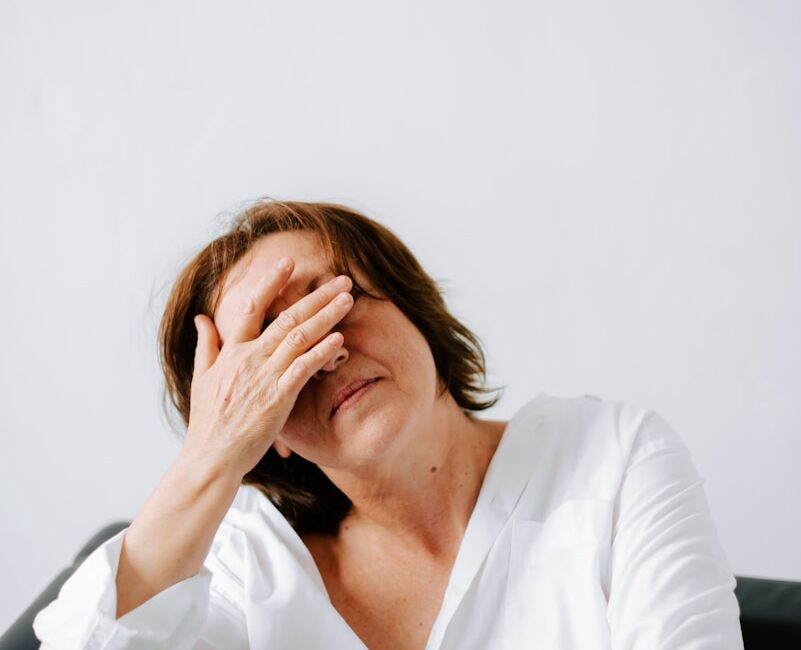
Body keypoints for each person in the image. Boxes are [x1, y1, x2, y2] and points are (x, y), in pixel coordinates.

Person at [34, 200, 744, 649]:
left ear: (414, 308)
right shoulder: (241, 569)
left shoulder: (612, 458)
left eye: (331, 303)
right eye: (271, 351)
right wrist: (210, 459)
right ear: (259, 427)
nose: (323, 355)